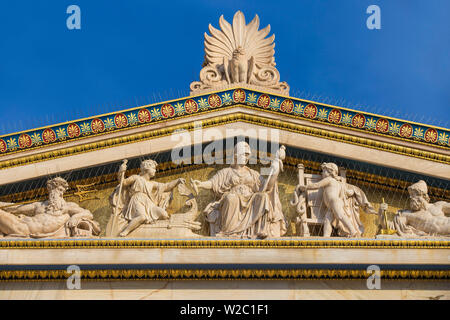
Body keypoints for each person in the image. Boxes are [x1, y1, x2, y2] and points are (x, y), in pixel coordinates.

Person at [191, 141, 287, 239]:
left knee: (263, 196)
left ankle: (260, 230)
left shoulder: (253, 173)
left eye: (248, 156)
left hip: (250, 200)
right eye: (244, 155)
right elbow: (213, 183)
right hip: (233, 199)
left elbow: (267, 187)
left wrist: (275, 169)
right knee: (231, 198)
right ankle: (228, 233)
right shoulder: (226, 172)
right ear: (236, 156)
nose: (247, 158)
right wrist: (200, 184)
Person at [0, 177, 100, 238]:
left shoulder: (67, 207)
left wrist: (75, 217)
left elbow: (88, 213)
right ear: (50, 191)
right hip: (23, 226)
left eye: (61, 190)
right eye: (56, 190)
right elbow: (14, 208)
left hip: (26, 231)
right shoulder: (39, 205)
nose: (59, 193)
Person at [298, 162, 378, 237]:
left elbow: (317, 185)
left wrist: (305, 187)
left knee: (340, 216)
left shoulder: (329, 179)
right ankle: (326, 236)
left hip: (334, 201)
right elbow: (343, 195)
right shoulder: (338, 184)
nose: (322, 173)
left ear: (330, 172)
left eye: (324, 171)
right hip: (333, 204)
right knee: (327, 219)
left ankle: (353, 231)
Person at [111, 159, 185, 237]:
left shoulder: (152, 184)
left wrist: (177, 181)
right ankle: (125, 231)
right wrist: (120, 172)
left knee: (163, 214)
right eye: (153, 168)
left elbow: (166, 186)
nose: (155, 171)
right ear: (146, 168)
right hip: (137, 200)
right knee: (142, 217)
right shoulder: (136, 178)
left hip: (148, 203)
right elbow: (123, 182)